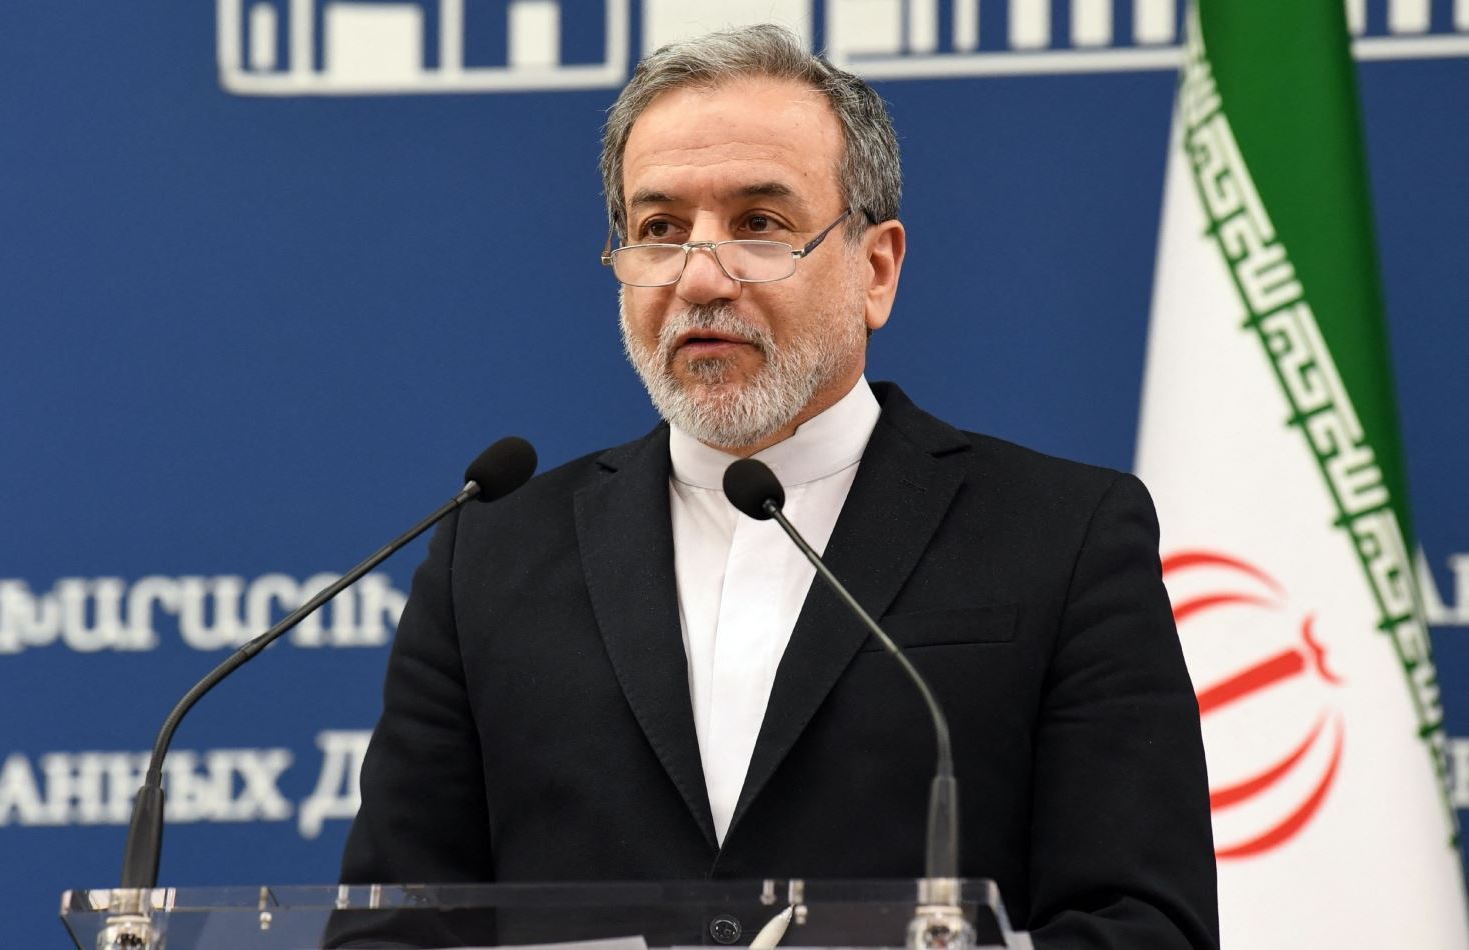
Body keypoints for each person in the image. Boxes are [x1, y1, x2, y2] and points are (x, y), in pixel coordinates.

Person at [337, 24, 1219, 949]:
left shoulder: (1062, 535)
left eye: (759, 224)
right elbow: (386, 930)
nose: (700, 277)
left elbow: (1146, 927)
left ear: (875, 270)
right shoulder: (492, 555)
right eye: (659, 230)